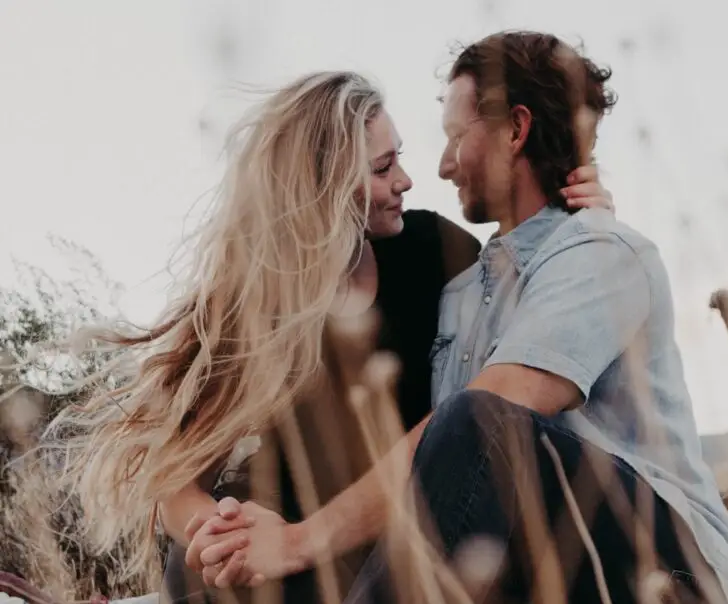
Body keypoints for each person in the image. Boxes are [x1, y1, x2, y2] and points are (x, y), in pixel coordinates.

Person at [193, 32, 728, 604]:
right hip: (531, 564)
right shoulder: (460, 289)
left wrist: (300, 540)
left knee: (476, 418)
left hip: (671, 572)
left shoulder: (603, 254)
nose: (438, 169)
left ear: (516, 130)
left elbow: (491, 417)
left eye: (455, 138)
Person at [49, 71, 613, 603]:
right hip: (288, 541)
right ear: (327, 187)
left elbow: (535, 343)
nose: (406, 181)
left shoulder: (435, 249)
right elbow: (176, 480)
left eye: (399, 160)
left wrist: (581, 225)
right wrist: (225, 535)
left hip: (407, 524)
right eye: (383, 167)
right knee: (208, 568)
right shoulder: (252, 299)